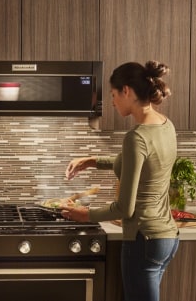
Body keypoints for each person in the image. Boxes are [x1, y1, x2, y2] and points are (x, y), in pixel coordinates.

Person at [61, 61, 179, 301]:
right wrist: (93, 160)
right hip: (166, 238)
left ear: (126, 91)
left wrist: (86, 215)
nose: (112, 102)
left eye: (114, 95)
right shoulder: (166, 125)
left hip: (143, 238)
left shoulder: (136, 137)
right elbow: (141, 163)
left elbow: (125, 207)